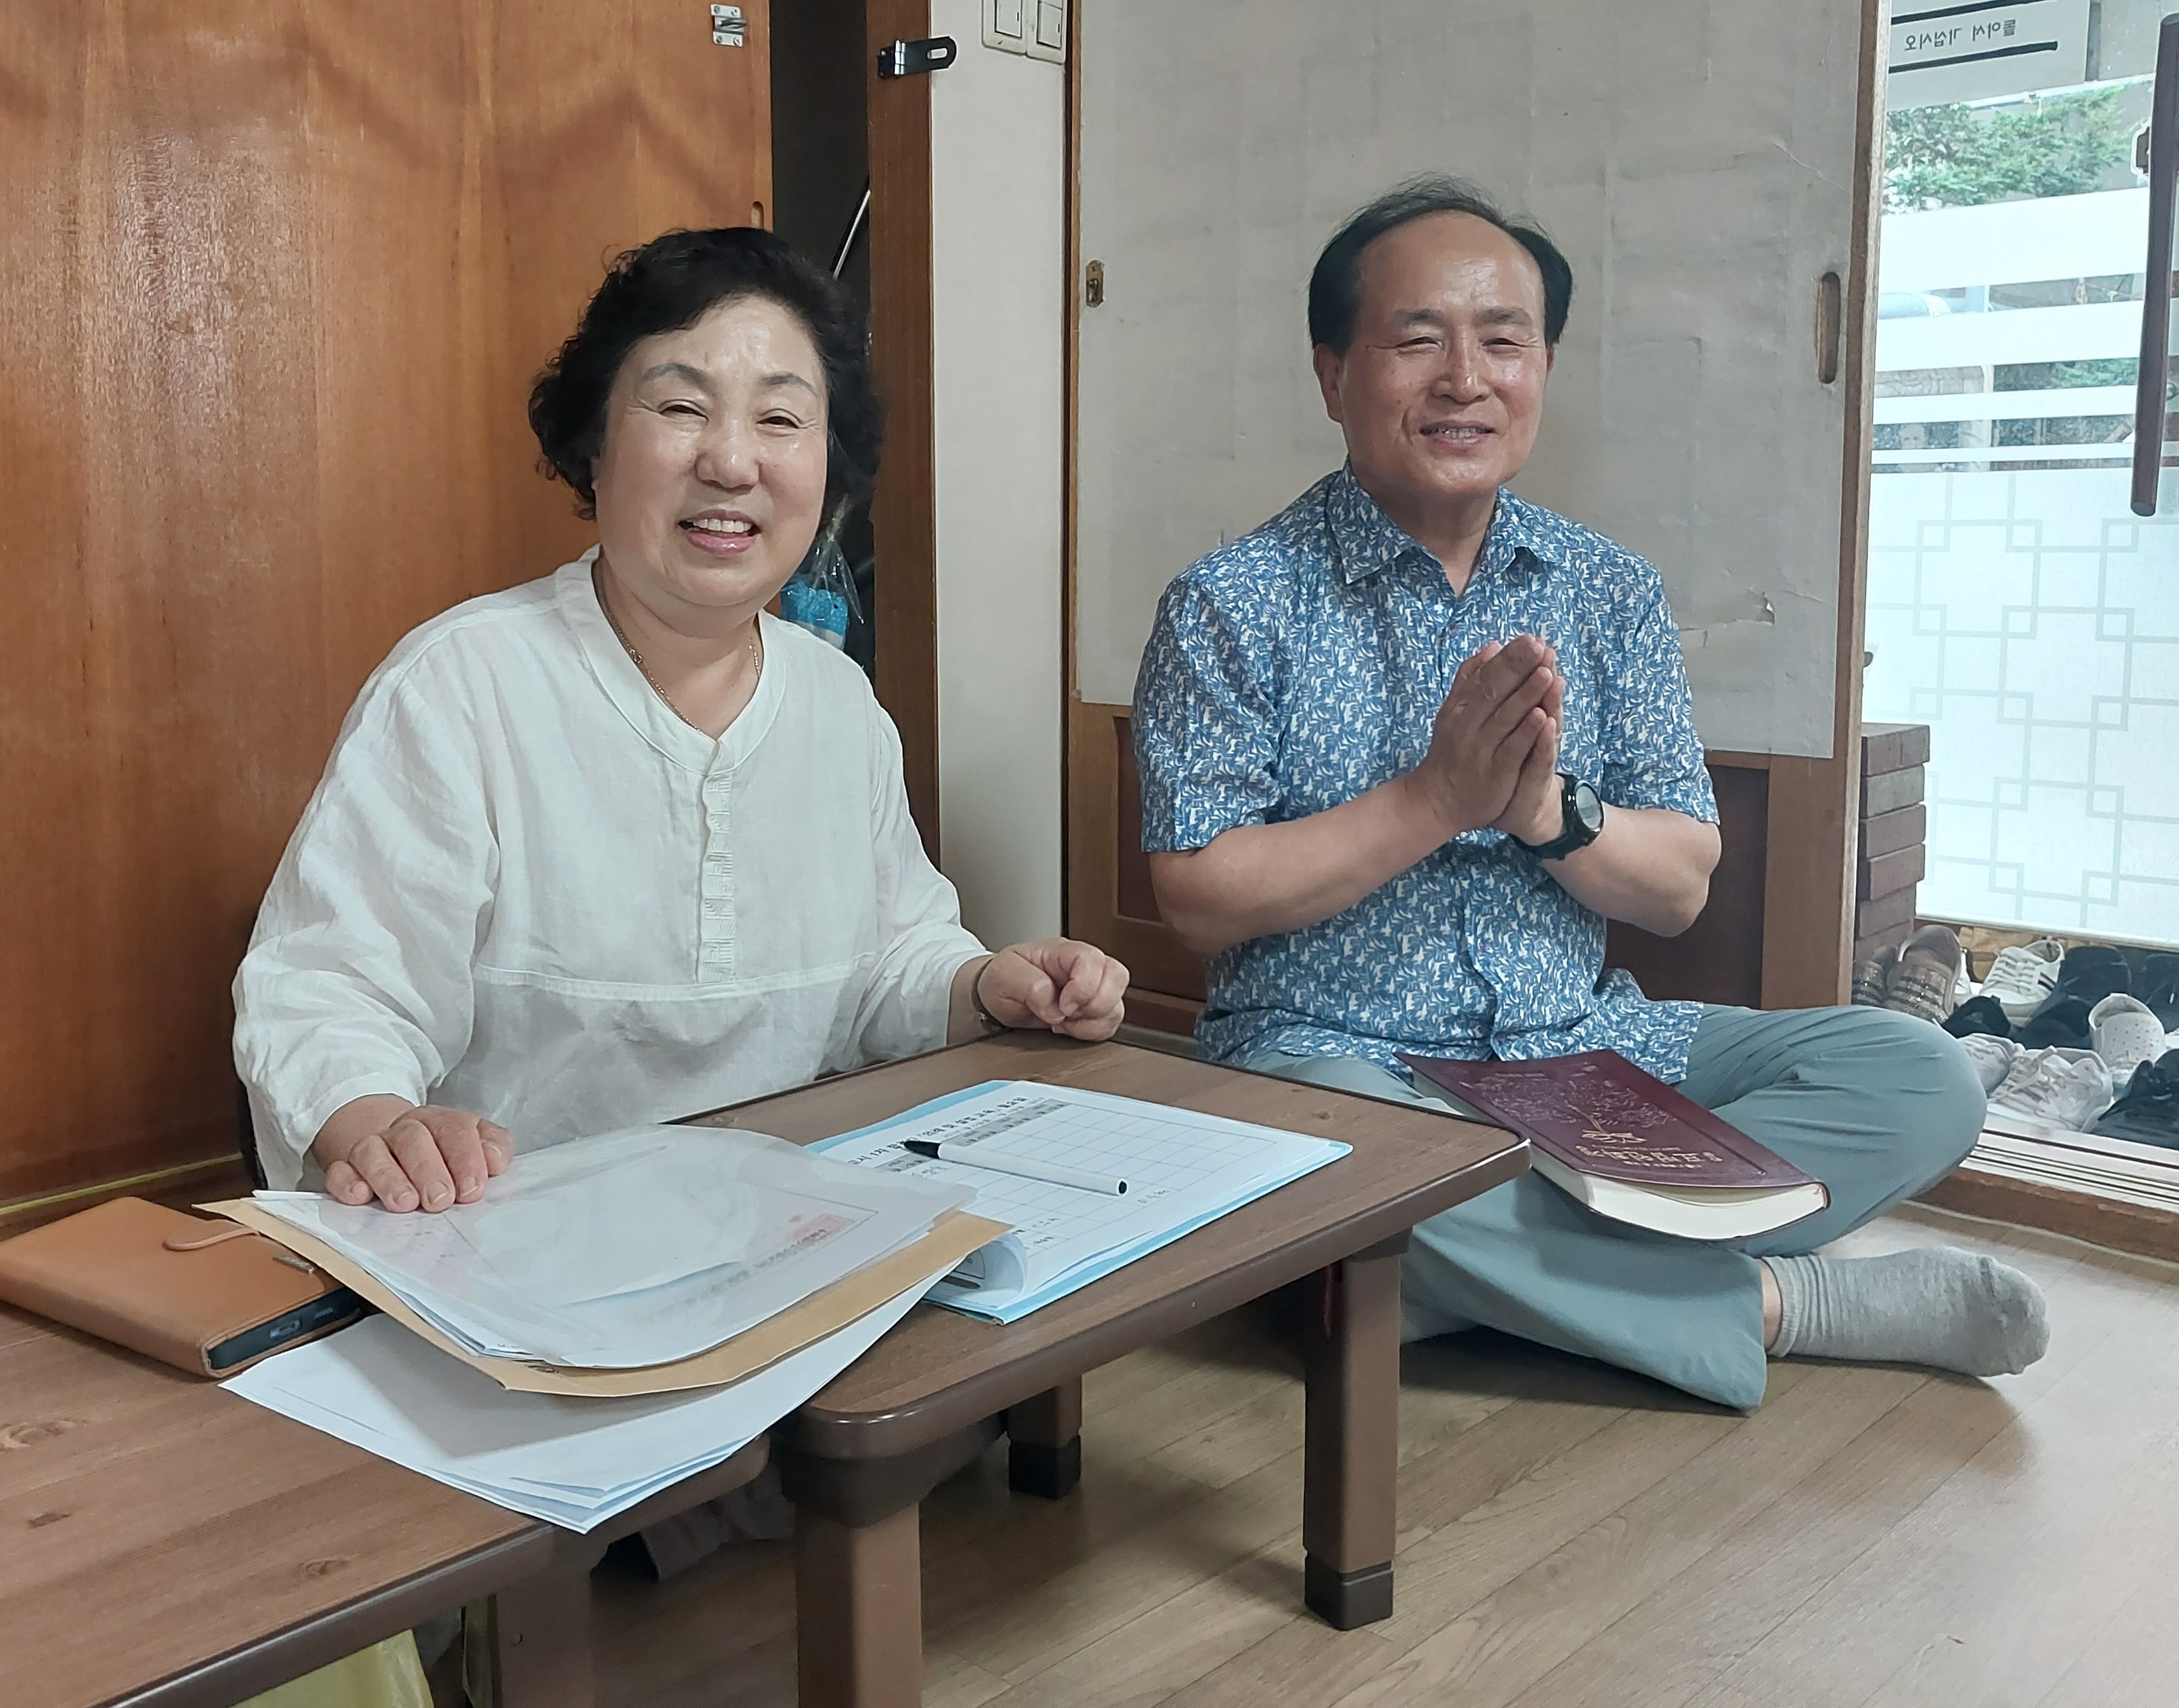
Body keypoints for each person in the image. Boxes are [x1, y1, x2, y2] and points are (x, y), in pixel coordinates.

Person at [1131, 177, 2045, 1410]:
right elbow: (1199, 896)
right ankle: (1775, 1303)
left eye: (1504, 341)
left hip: (1581, 1053)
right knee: (1329, 1161)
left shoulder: (1608, 590)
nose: (1466, 379)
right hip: (1334, 1062)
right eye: (1417, 341)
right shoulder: (1232, 603)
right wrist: (1436, 800)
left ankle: (1454, 1274)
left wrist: (1544, 814)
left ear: (1544, 369)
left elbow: (1679, 885)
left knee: (1919, 1076)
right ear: (1333, 373)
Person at [235, 226, 1129, 1213]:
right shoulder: (462, 685)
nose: (733, 461)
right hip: (512, 1240)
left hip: (789, 1226)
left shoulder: (839, 704)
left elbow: (886, 964)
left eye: (781, 419)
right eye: (681, 408)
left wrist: (987, 985)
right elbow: (330, 991)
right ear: (596, 445)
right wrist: (381, 1127)